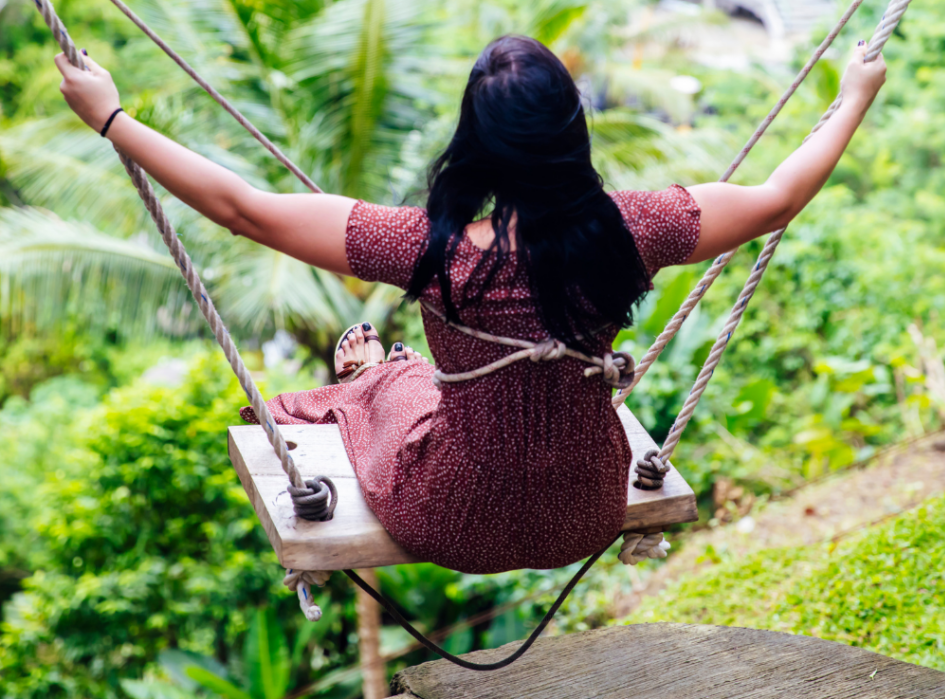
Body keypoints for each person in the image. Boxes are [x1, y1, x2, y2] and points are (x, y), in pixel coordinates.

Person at [55, 34, 885, 574]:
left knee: (400, 386)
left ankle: (375, 373)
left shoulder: (430, 248)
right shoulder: (636, 229)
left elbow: (244, 210)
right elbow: (776, 198)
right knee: (423, 384)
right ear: (574, 128)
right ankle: (384, 372)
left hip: (447, 514)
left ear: (475, 145)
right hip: (584, 509)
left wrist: (113, 119)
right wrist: (852, 97)